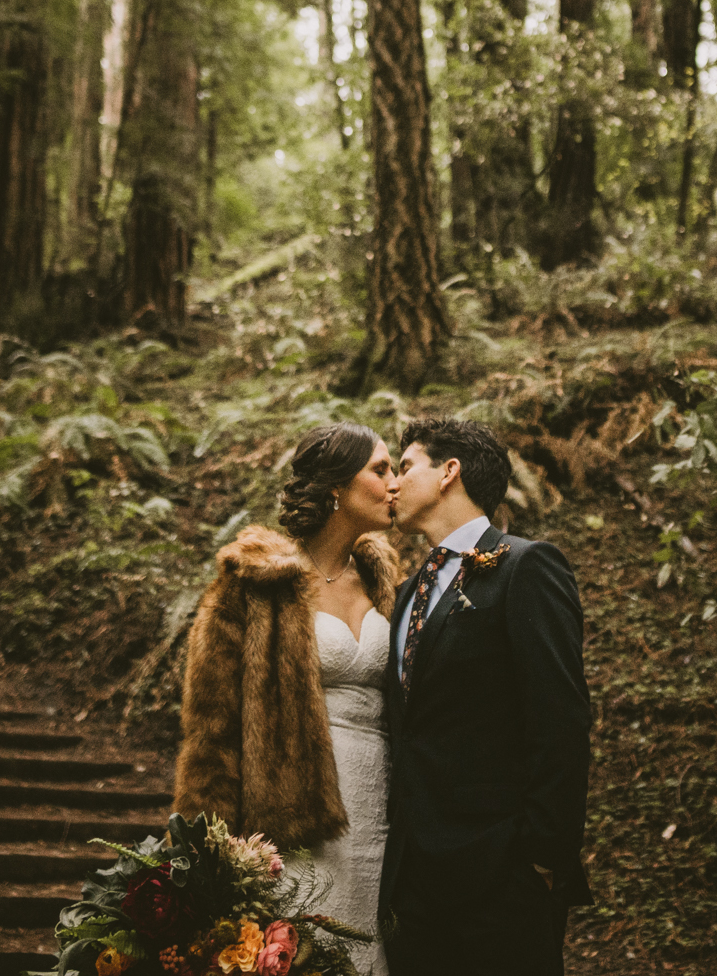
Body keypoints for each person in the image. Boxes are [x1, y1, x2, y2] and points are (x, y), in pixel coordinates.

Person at [173, 421, 402, 974]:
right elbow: (211, 731)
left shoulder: (386, 580)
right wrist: (207, 856)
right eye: (380, 469)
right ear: (336, 489)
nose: (396, 483)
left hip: (385, 805)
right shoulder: (255, 583)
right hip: (291, 815)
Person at [382, 417, 592, 976]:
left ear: (449, 471)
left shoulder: (527, 566)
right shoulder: (409, 591)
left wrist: (542, 857)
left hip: (503, 880)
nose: (391, 485)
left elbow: (561, 717)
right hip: (416, 883)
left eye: (405, 467)